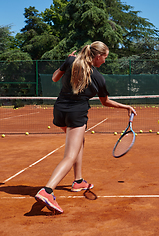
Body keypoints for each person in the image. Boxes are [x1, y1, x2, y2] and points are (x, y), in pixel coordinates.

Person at [35, 41, 137, 214]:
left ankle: (78, 181)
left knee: (80, 141)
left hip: (59, 111)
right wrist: (126, 107)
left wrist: (67, 61)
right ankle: (48, 191)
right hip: (76, 114)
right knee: (70, 155)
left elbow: (54, 78)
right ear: (97, 56)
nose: (105, 61)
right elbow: (105, 102)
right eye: (104, 57)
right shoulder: (98, 77)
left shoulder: (70, 61)